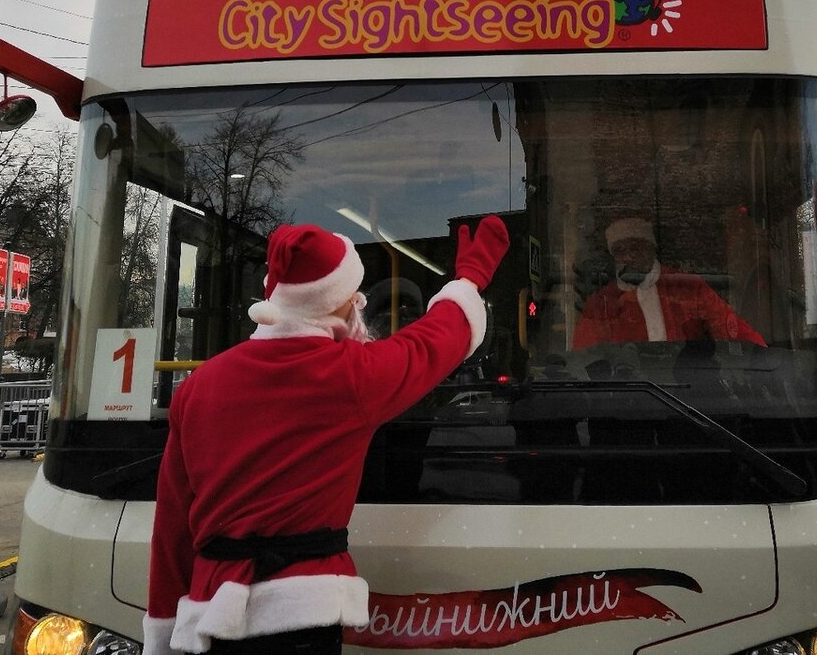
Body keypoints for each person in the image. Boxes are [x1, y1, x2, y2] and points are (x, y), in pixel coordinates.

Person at [144, 216, 509, 655]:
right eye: (352, 296)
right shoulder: (350, 377)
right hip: (304, 618)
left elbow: (172, 529)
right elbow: (433, 342)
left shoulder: (199, 385)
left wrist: (163, 628)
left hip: (211, 618)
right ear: (336, 304)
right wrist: (468, 280)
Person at [572, 216, 764, 350]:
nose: (629, 256)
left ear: (651, 248)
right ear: (613, 256)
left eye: (636, 247)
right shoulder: (601, 304)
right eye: (620, 250)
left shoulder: (688, 288)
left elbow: (736, 335)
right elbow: (585, 359)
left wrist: (763, 359)